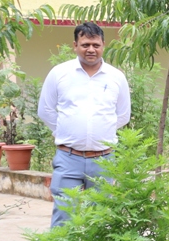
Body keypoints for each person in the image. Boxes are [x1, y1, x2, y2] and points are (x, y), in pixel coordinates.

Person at [38, 22, 131, 227]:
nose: (91, 49)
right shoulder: (59, 73)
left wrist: (101, 131)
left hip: (103, 159)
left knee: (100, 220)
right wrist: (65, 130)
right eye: (85, 44)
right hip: (68, 158)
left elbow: (123, 115)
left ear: (103, 46)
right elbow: (45, 110)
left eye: (96, 45)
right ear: (75, 45)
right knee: (64, 215)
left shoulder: (116, 77)